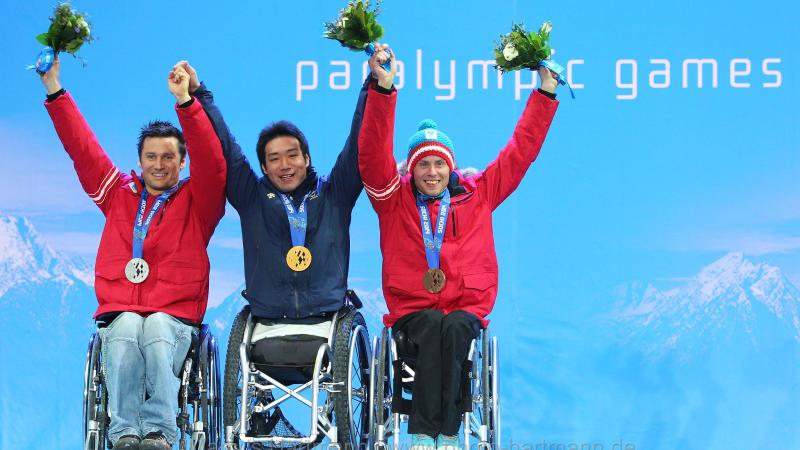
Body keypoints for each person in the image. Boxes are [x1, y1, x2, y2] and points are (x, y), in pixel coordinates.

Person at [358, 45, 559, 450]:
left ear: (451, 167)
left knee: (453, 328)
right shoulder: (391, 200)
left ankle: (444, 435)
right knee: (432, 326)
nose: (431, 172)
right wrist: (383, 90)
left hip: (467, 306)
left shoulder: (478, 194)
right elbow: (372, 155)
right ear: (410, 168)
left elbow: (520, 153)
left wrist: (545, 94)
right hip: (414, 308)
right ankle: (422, 435)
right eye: (423, 164)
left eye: (439, 164)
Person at [41, 59, 226, 450]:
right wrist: (55, 91)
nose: (159, 165)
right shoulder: (118, 194)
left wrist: (187, 103)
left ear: (182, 161)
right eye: (151, 157)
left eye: (169, 157)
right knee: (126, 328)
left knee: (156, 328)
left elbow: (212, 160)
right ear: (140, 161)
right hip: (122, 307)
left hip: (174, 315)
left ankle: (159, 432)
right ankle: (125, 433)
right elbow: (83, 148)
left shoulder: (200, 200)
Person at [176, 59, 367, 326]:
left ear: (307, 159)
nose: (285, 165)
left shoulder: (334, 194)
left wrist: (374, 87)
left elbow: (359, 141)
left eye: (292, 156)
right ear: (264, 167)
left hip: (328, 317)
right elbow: (226, 147)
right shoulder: (251, 197)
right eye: (274, 159)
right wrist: (199, 95)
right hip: (267, 319)